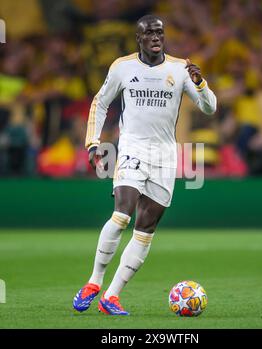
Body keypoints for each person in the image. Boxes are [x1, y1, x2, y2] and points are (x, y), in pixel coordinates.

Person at [73, 14, 217, 315]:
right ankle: (94, 281)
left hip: (165, 156)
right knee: (122, 214)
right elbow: (100, 102)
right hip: (131, 147)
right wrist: (93, 142)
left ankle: (111, 297)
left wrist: (200, 83)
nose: (156, 38)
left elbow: (210, 108)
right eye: (150, 33)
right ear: (139, 38)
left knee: (146, 227)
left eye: (160, 33)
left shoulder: (179, 69)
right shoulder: (122, 67)